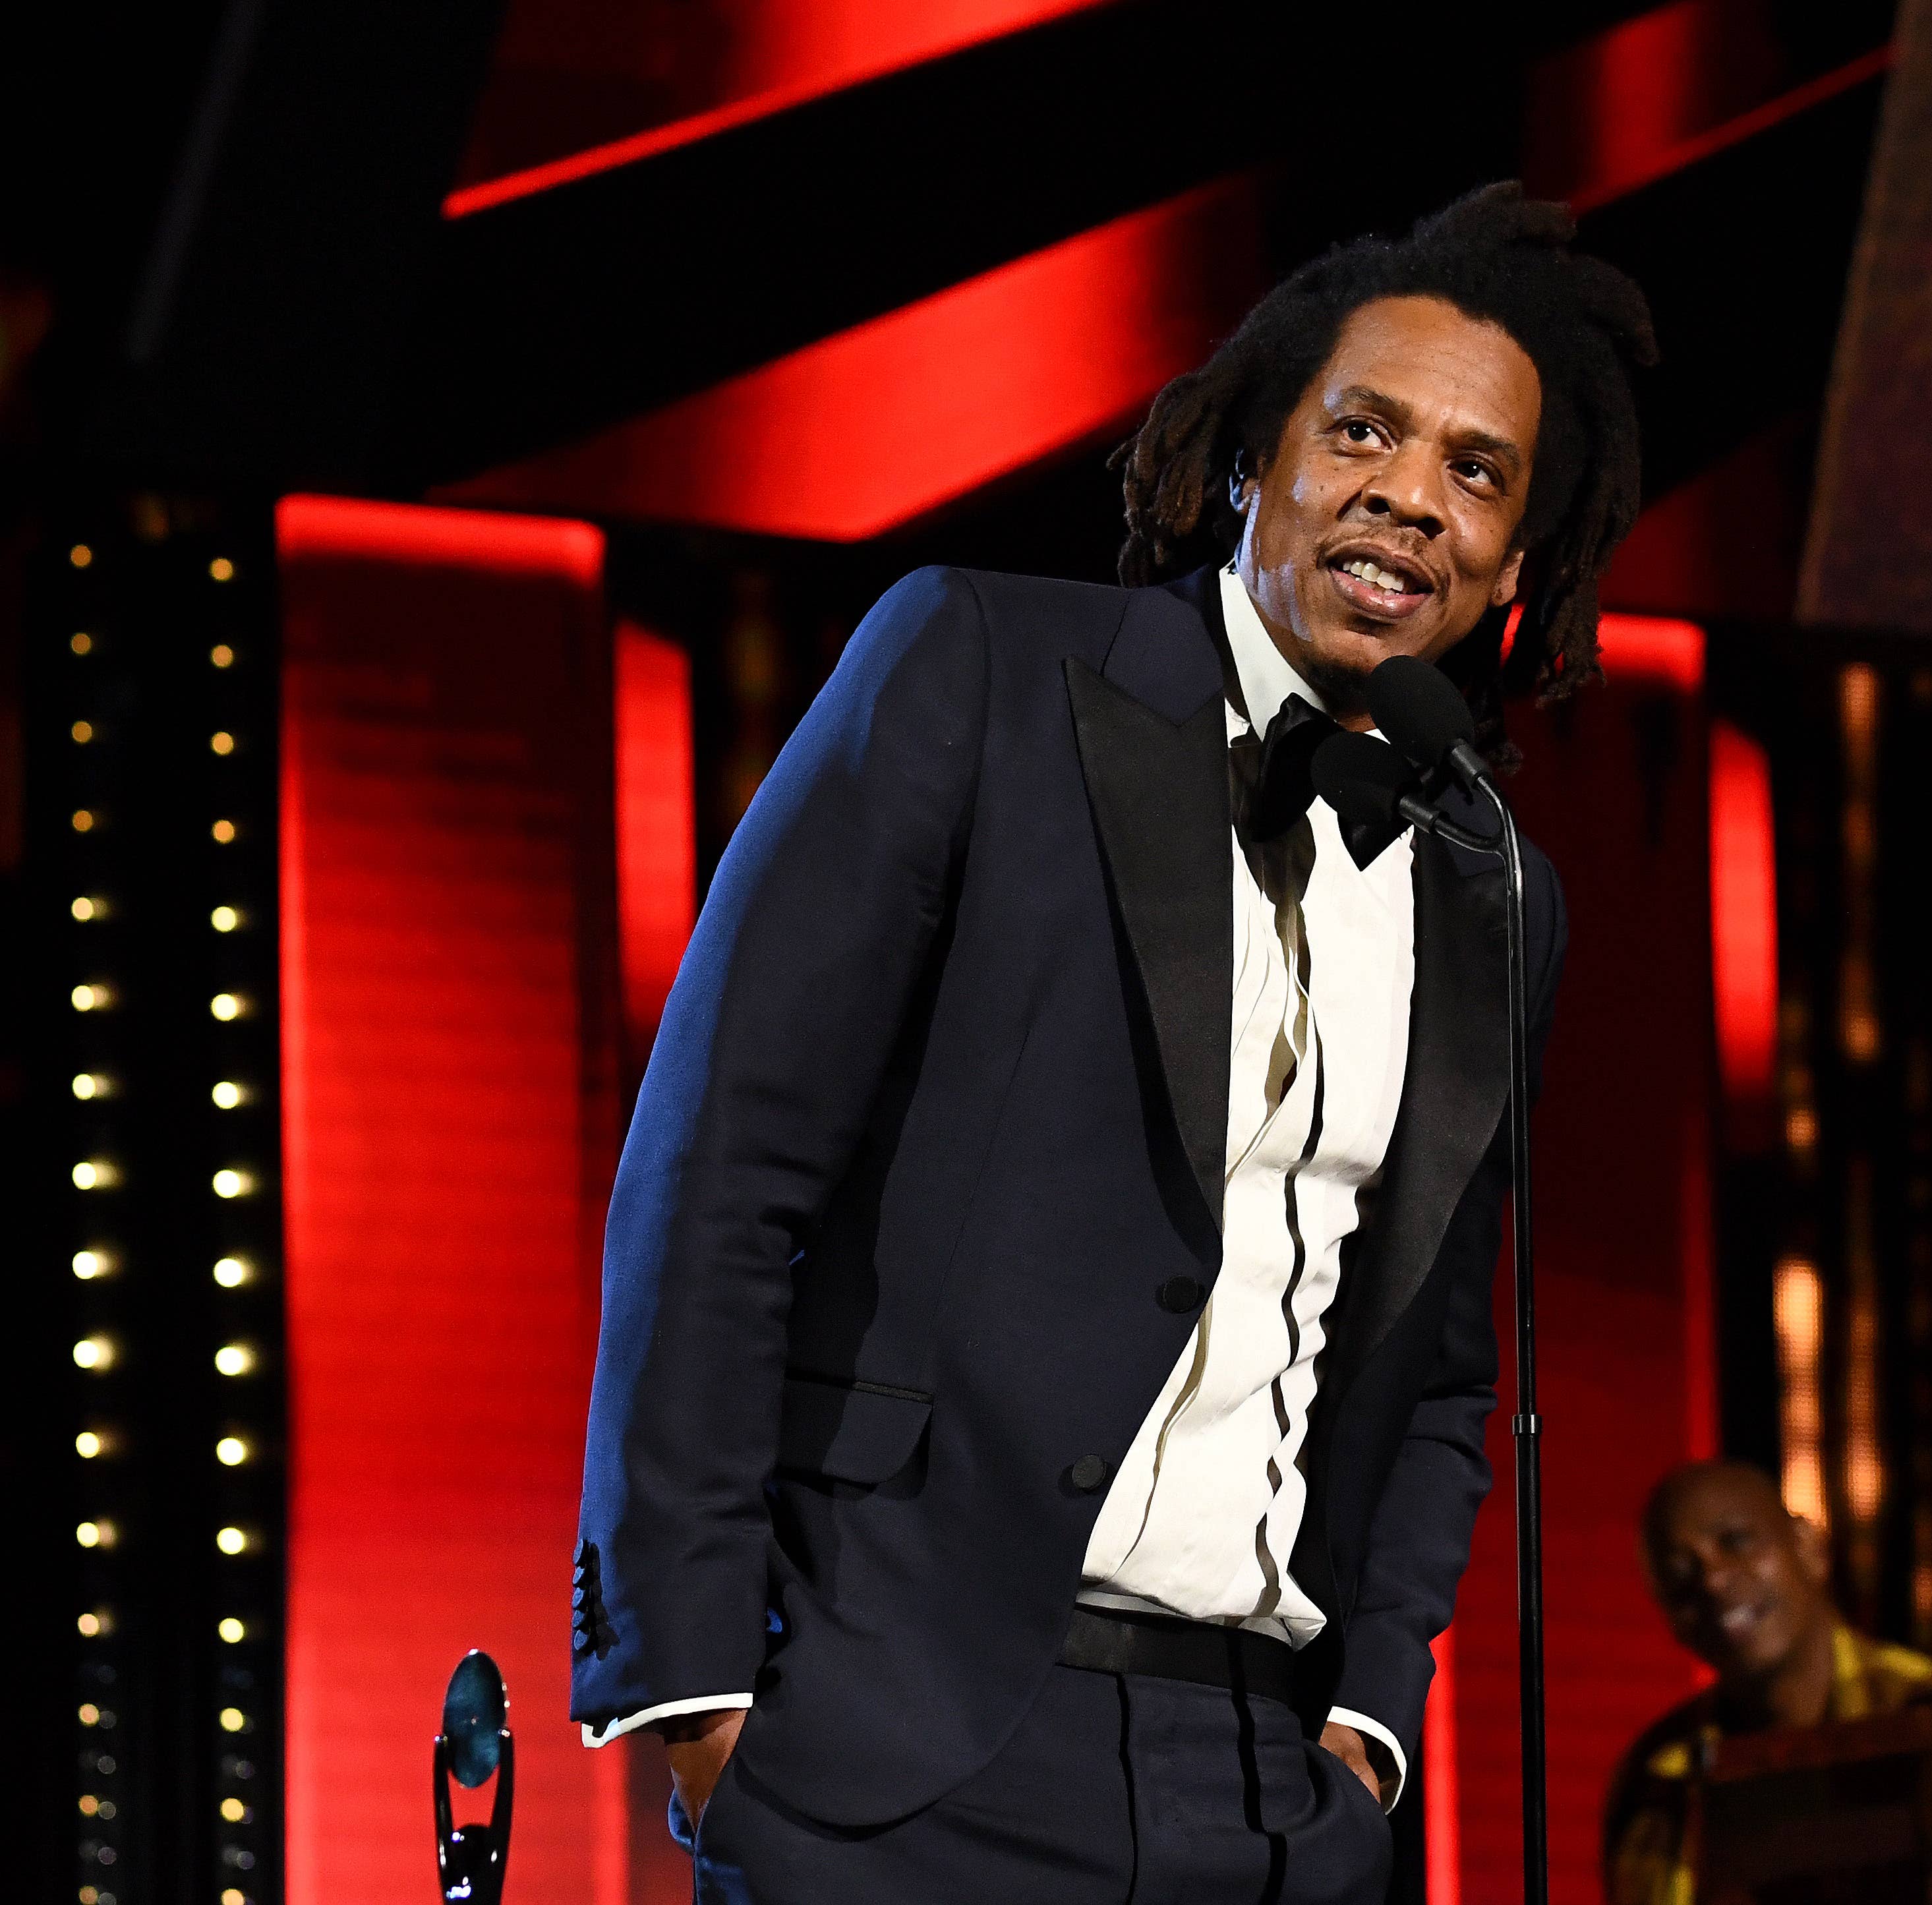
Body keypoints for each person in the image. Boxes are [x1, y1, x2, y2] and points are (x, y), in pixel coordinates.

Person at [568, 185, 1656, 1903]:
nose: (1407, 493)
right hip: (904, 1745)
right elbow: (722, 1167)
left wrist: (1372, 1714)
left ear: (1518, 561)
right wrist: (695, 1682)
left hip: (1266, 1789)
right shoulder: (983, 668)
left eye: (1475, 467)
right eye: (1361, 430)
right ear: (1253, 457)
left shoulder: (1495, 886)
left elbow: (1438, 1362)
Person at [1604, 1461, 1932, 1905]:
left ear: (1808, 1546)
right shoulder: (1654, 1776)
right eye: (1679, 1572)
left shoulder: (1929, 1720)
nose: (1713, 1580)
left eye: (1736, 1542)